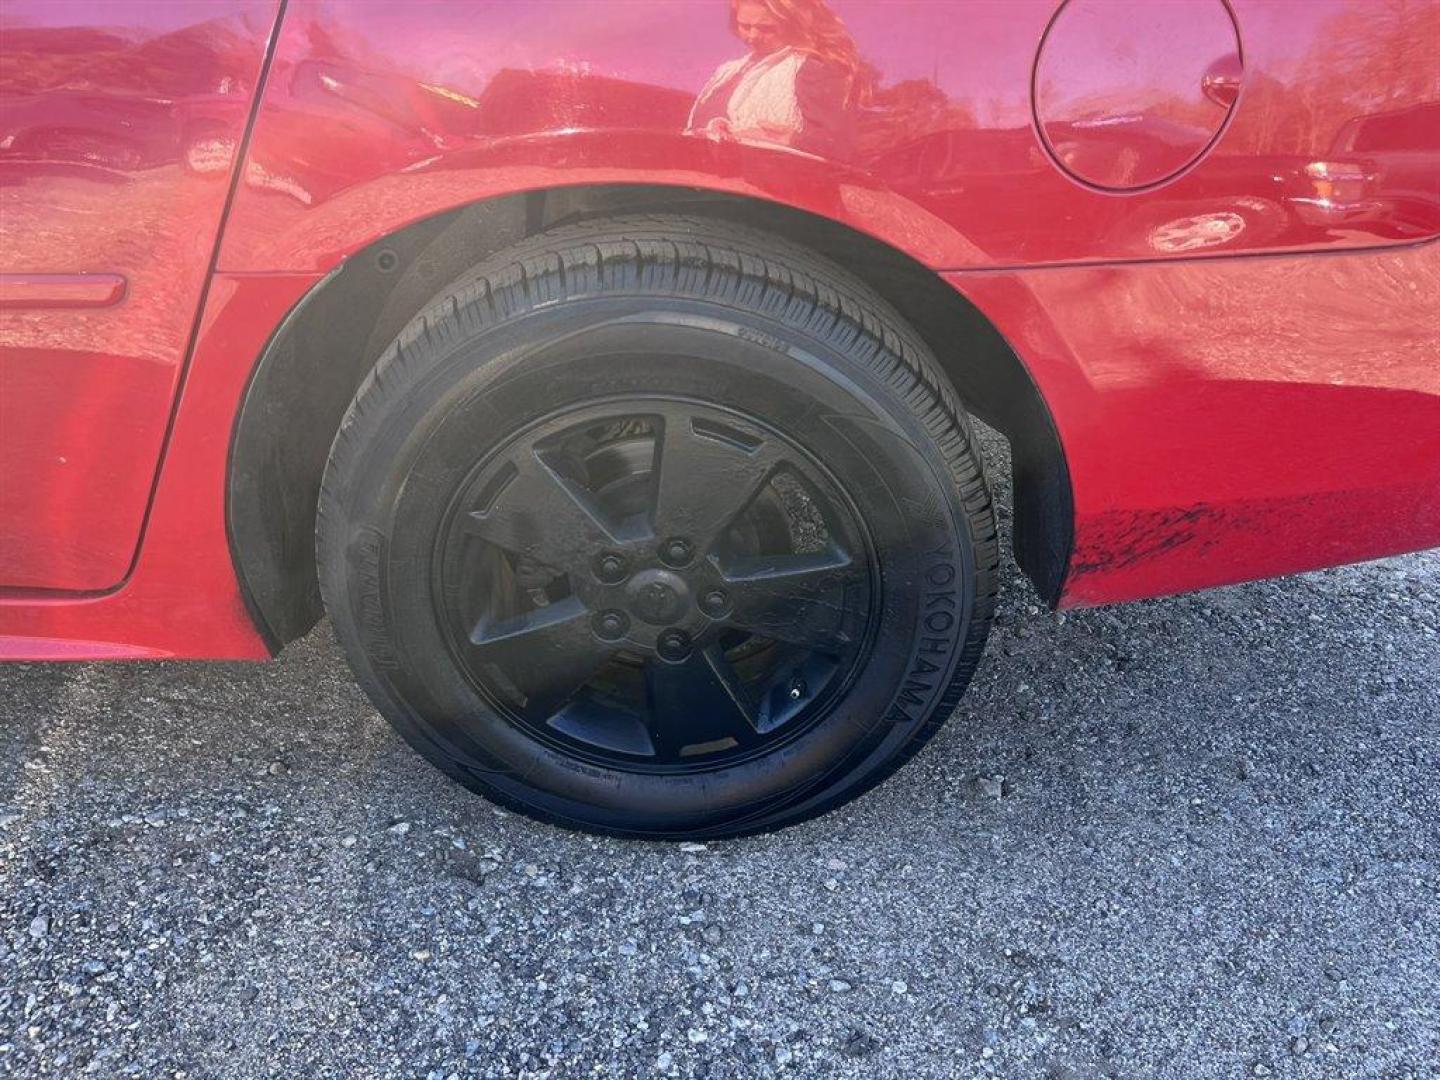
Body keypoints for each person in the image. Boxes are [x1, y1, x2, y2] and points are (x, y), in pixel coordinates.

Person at [687, 0, 870, 161]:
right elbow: (694, 129)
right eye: (745, 26)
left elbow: (842, 146)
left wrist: (791, 139)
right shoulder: (727, 72)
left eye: (766, 28)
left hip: (778, 191)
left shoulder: (813, 67)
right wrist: (716, 126)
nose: (753, 36)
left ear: (792, 24)